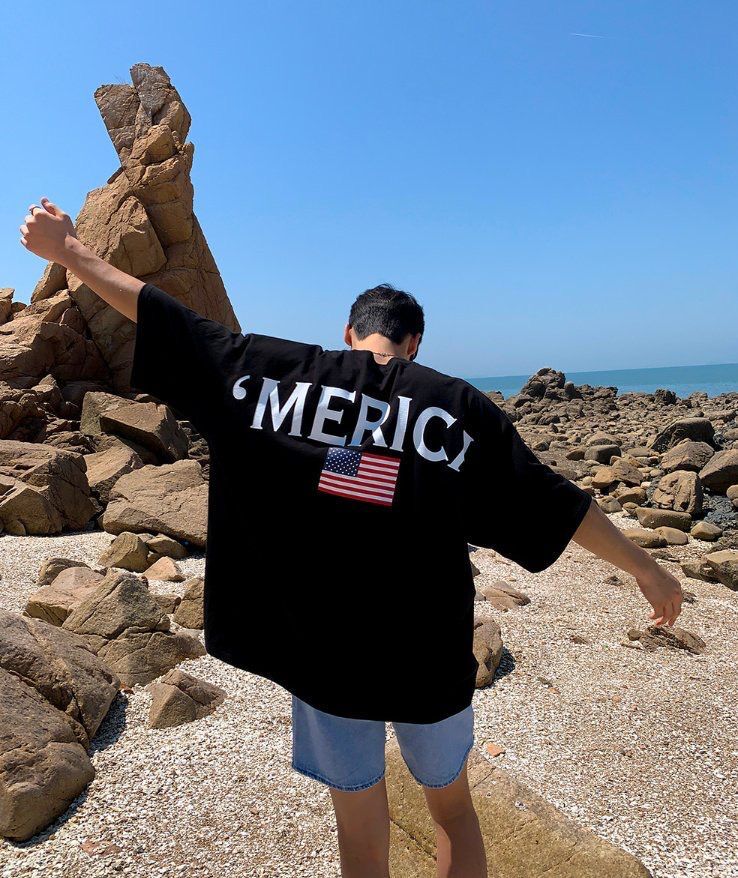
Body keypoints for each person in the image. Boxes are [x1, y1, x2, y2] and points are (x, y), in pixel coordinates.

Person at [20, 198, 683, 878]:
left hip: (321, 653)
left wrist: (69, 249)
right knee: (452, 810)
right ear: (414, 343)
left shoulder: (271, 371)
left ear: (348, 332)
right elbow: (553, 501)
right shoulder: (457, 405)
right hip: (428, 652)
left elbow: (165, 316)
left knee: (361, 831)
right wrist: (646, 568)